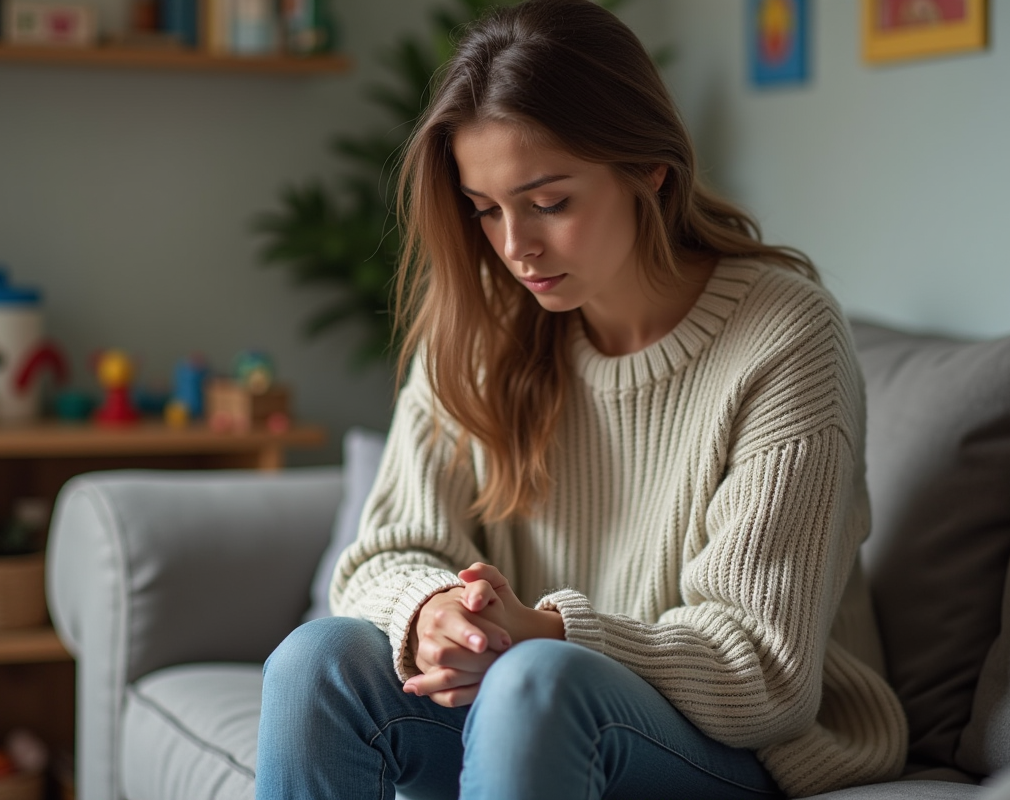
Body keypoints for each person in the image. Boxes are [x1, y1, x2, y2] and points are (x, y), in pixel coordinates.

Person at [255, 0, 908, 798]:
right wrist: (436, 613)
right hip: (522, 707)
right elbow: (381, 556)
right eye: (485, 210)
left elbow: (762, 672)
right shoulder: (482, 327)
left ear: (649, 169)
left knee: (536, 682)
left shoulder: (783, 335)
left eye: (549, 203)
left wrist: (546, 631)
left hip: (738, 748)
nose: (515, 247)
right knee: (316, 663)